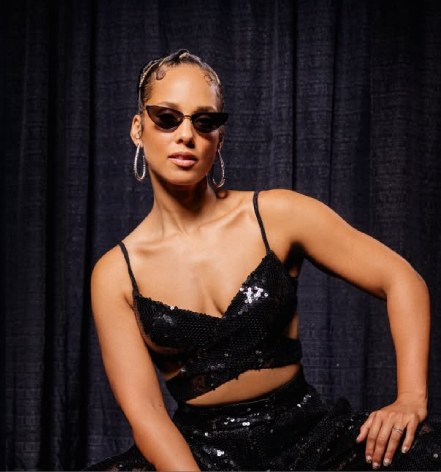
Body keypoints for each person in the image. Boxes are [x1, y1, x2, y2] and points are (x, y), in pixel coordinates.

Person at [85, 49, 440, 470]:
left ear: (219, 137)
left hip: (310, 441)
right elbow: (146, 412)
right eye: (167, 118)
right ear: (138, 129)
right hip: (195, 458)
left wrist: (410, 398)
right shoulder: (115, 274)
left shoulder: (278, 216)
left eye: (204, 121)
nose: (186, 135)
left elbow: (401, 278)